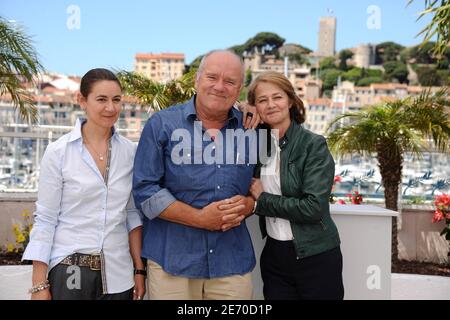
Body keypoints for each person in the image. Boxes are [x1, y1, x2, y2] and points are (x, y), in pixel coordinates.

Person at [133, 50, 258, 300]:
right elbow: (145, 192)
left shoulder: (252, 128)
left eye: (230, 81)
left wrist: (251, 204)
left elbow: (264, 183)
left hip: (231, 262)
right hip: (173, 262)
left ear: (239, 89)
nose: (220, 87)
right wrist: (200, 219)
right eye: (212, 77)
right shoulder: (161, 125)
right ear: (197, 80)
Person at [22, 68, 145, 300]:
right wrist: (39, 284)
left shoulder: (131, 152)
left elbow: (131, 213)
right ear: (82, 100)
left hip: (118, 274)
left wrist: (139, 269)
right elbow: (46, 218)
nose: (111, 108)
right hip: (70, 269)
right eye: (101, 99)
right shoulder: (58, 152)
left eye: (116, 100)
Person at [247, 71, 344, 300]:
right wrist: (243, 108)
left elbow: (313, 208)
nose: (270, 105)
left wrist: (263, 200)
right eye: (262, 100)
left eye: (277, 97)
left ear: (290, 101)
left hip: (316, 255)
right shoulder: (259, 144)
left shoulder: (313, 145)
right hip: (274, 256)